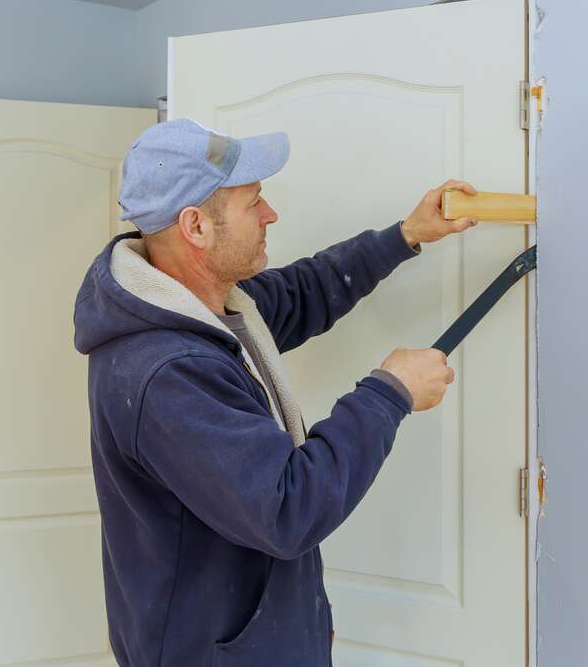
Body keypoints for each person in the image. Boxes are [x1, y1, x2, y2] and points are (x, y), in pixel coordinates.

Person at [74, 118, 478, 666]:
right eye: (253, 202)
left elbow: (301, 292)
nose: (270, 214)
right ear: (195, 226)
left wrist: (405, 235)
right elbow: (289, 508)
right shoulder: (167, 372)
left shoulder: (209, 308)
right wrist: (390, 393)